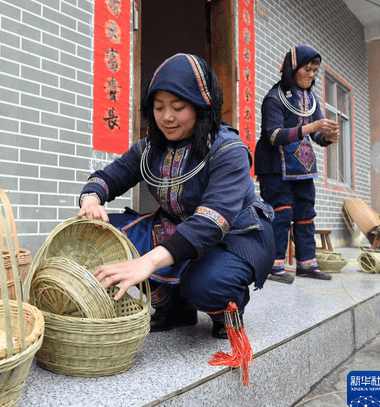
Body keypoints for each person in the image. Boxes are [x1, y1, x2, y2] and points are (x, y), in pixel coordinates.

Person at [77, 53, 275, 339]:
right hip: (178, 227)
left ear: (200, 107)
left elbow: (210, 224)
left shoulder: (228, 150)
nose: (167, 117)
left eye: (178, 107)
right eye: (158, 108)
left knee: (207, 285)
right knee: (99, 233)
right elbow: (107, 178)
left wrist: (146, 262)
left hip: (235, 234)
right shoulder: (150, 148)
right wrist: (91, 200)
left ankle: (225, 309)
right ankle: (174, 306)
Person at [255, 46, 340, 284]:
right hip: (275, 165)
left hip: (302, 165)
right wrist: (312, 127)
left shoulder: (311, 100)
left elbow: (317, 136)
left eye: (315, 70)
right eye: (307, 69)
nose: (312, 74)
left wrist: (328, 137)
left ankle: (306, 264)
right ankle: (274, 266)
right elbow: (273, 135)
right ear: (293, 69)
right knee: (281, 213)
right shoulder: (274, 97)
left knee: (305, 214)